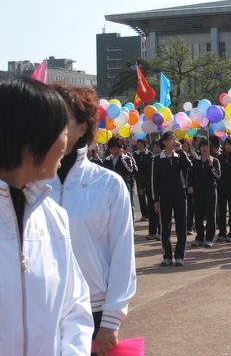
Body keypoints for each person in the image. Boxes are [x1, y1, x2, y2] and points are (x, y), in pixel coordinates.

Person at [0, 78, 93, 355]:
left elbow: (74, 307)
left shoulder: (52, 215)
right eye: (61, 129)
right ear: (30, 134)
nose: (66, 143)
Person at [48, 82, 136, 355]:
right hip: (42, 308)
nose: (50, 125)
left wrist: (111, 320)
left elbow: (122, 254)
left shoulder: (107, 184)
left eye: (60, 118)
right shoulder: (29, 182)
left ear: (82, 128)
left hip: (93, 309)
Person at [151, 131, 192, 266]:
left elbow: (189, 166)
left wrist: (181, 151)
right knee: (165, 226)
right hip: (164, 197)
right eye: (171, 139)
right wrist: (155, 200)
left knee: (181, 226)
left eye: (175, 139)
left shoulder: (179, 156)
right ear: (164, 142)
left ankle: (180, 256)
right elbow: (154, 181)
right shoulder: (157, 159)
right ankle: (167, 256)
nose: (174, 141)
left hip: (180, 195)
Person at [188, 137, 220, 248]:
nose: (205, 149)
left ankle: (210, 238)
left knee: (211, 216)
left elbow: (218, 176)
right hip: (198, 192)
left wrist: (211, 166)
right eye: (203, 147)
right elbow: (190, 175)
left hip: (210, 192)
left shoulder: (214, 161)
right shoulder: (195, 161)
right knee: (198, 215)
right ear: (199, 148)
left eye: (207, 147)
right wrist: (190, 186)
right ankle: (199, 238)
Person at [103, 136, 138, 218]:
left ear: (120, 148)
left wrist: (121, 158)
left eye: (115, 149)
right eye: (111, 149)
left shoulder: (127, 158)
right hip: (112, 188)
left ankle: (131, 226)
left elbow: (130, 170)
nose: (113, 151)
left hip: (126, 186)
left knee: (128, 206)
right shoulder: (107, 160)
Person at [217, 137, 231, 242]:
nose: (227, 146)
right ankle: (222, 233)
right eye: (225, 144)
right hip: (221, 188)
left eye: (229, 144)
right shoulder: (220, 158)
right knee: (221, 211)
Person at [133, 139, 153, 221]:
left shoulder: (149, 154)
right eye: (138, 143)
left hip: (148, 178)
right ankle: (144, 214)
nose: (140, 145)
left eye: (141, 143)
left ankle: (150, 213)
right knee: (141, 197)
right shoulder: (135, 155)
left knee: (149, 195)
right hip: (139, 178)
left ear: (144, 144)